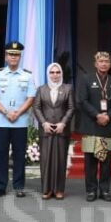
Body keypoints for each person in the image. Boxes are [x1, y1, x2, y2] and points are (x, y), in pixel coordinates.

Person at [0, 41, 37, 198]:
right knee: (1, 154)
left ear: (20, 57)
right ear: (6, 56)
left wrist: (18, 112)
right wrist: (6, 112)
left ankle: (19, 186)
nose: (13, 57)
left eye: (16, 55)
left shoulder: (27, 75)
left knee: (19, 154)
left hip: (20, 121)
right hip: (2, 120)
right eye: (11, 54)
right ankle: (0, 186)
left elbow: (31, 98)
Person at [74, 51, 111, 202]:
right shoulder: (86, 79)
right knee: (90, 161)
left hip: (108, 125)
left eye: (106, 61)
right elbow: (82, 101)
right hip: (91, 125)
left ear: (110, 64)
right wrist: (97, 115)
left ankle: (105, 190)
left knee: (107, 162)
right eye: (101, 61)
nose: (104, 64)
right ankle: (91, 190)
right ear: (95, 64)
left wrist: (107, 116)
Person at [32, 62, 74, 200]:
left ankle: (59, 190)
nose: (55, 75)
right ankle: (47, 189)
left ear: (61, 74)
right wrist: (43, 123)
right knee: (45, 159)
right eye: (52, 72)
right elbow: (36, 107)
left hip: (62, 129)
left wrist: (63, 123)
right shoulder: (41, 89)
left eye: (57, 72)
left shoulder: (68, 88)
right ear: (48, 74)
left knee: (61, 160)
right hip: (46, 129)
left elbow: (71, 108)